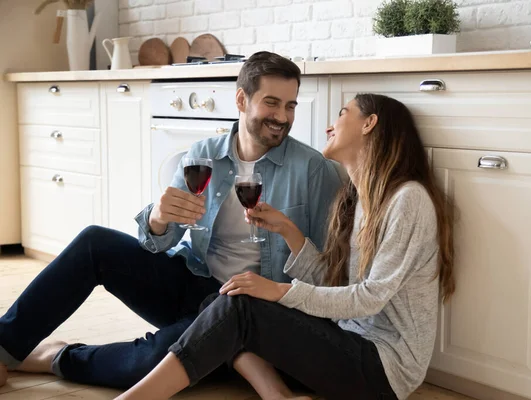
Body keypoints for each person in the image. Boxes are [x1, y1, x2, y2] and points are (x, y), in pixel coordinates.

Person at [0, 51, 343, 390]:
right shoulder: (202, 156)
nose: (282, 116)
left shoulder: (314, 171)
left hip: (249, 312)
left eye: (290, 105)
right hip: (196, 284)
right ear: (242, 99)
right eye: (272, 103)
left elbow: (329, 271)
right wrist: (159, 218)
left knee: (155, 361)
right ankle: (3, 348)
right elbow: (159, 241)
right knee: (95, 243)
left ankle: (57, 357)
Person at [114, 93, 456, 400]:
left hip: (384, 370)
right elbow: (338, 288)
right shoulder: (359, 200)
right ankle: (277, 395)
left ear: (370, 123)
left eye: (342, 113)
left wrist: (278, 291)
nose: (329, 126)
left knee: (241, 307)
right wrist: (288, 231)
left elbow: (369, 299)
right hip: (351, 343)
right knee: (224, 297)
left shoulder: (408, 199)